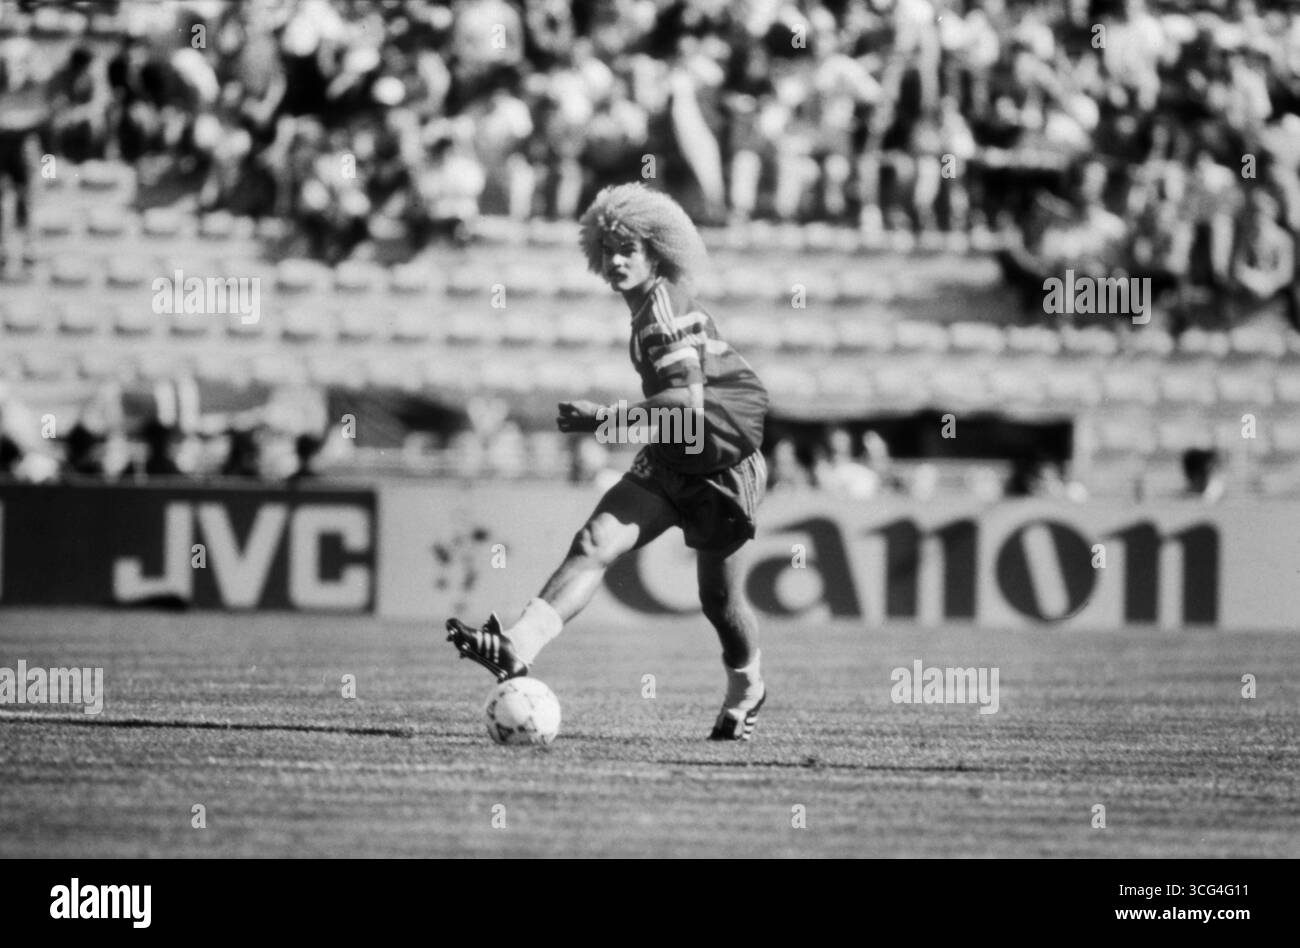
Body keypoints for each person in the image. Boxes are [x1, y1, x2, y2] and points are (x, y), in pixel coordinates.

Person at [445, 183, 771, 741]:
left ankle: (748, 688)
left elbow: (688, 406)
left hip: (723, 466)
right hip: (672, 458)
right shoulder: (649, 309)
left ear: (655, 251)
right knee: (595, 543)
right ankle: (516, 647)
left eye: (629, 249)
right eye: (609, 249)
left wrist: (603, 420)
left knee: (718, 602)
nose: (617, 260)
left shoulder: (662, 312)